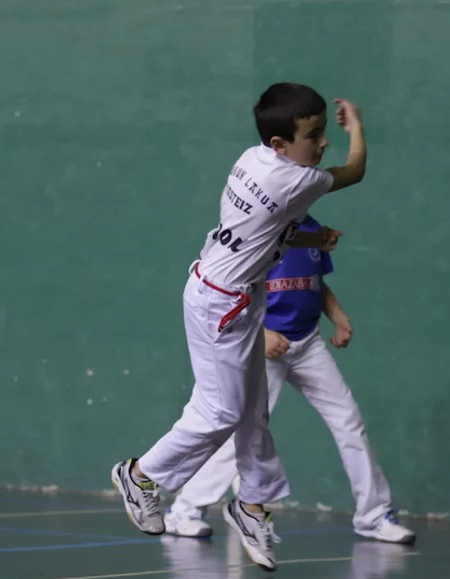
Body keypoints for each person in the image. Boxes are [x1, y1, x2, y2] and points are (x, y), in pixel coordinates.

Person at [111, 82, 367, 572]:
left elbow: (269, 228)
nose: (323, 143)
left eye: (325, 132)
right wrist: (356, 128)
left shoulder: (253, 160)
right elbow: (354, 171)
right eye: (313, 135)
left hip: (235, 296)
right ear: (280, 144)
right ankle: (141, 474)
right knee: (220, 411)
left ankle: (252, 504)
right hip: (220, 305)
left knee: (253, 412)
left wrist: (312, 238)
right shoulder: (299, 180)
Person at [162, 215, 416, 546]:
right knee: (243, 433)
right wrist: (262, 334)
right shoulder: (254, 229)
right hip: (262, 347)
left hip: (307, 344)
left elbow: (314, 283)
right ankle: (184, 510)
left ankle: (374, 515)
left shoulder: (312, 230)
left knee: (348, 420)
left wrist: (338, 317)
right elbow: (227, 291)